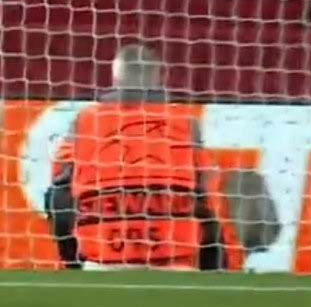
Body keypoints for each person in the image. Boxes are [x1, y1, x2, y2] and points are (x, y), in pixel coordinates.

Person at [46, 45, 232, 270]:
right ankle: (214, 276)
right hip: (173, 258)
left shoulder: (86, 120)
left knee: (57, 194)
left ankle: (76, 269)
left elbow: (59, 182)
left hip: (104, 258)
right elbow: (207, 183)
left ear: (115, 77)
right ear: (157, 76)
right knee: (206, 206)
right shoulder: (184, 121)